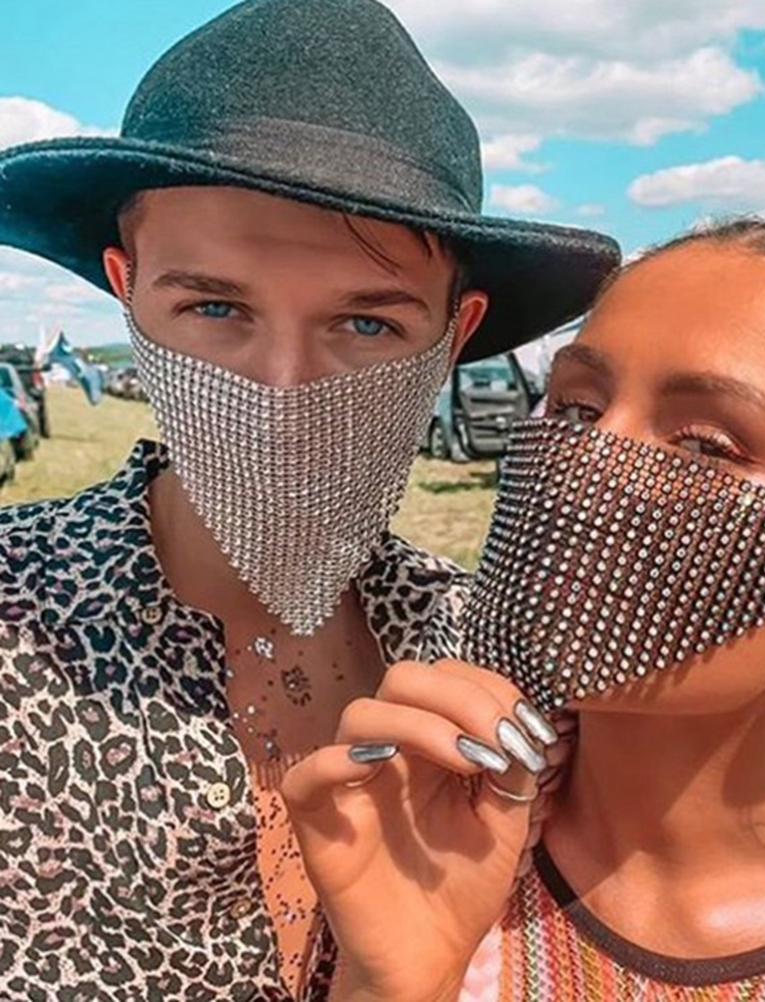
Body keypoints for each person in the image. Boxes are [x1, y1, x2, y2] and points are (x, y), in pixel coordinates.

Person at [0, 1, 619, 998]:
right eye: (214, 307)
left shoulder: (490, 659)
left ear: (453, 338)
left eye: (366, 326)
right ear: (128, 292)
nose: (281, 395)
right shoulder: (15, 618)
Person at [283, 220, 765, 1001]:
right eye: (575, 411)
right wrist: (391, 984)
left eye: (705, 446)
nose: (581, 472)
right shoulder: (415, 839)